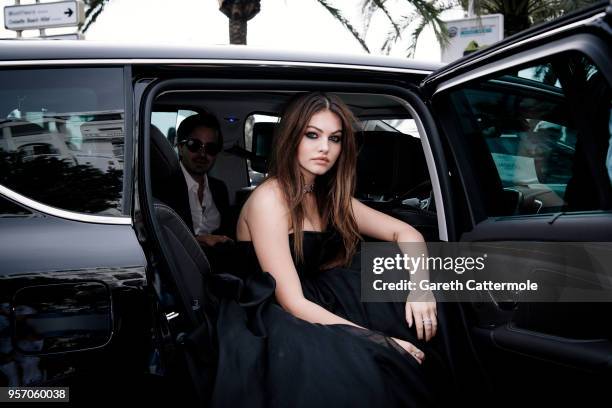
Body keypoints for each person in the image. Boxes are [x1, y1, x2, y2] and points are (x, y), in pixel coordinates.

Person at [208, 92, 451, 408]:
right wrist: (380, 340)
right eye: (313, 135)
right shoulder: (270, 199)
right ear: (292, 138)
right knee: (368, 366)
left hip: (322, 295)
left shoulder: (327, 196)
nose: (325, 148)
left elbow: (405, 232)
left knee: (435, 288)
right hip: (280, 310)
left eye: (334, 138)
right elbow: (292, 301)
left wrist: (421, 290)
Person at [176, 113, 232, 247]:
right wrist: (197, 242)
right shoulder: (163, 188)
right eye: (194, 145)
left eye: (210, 148)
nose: (202, 154)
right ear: (180, 147)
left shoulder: (219, 188)